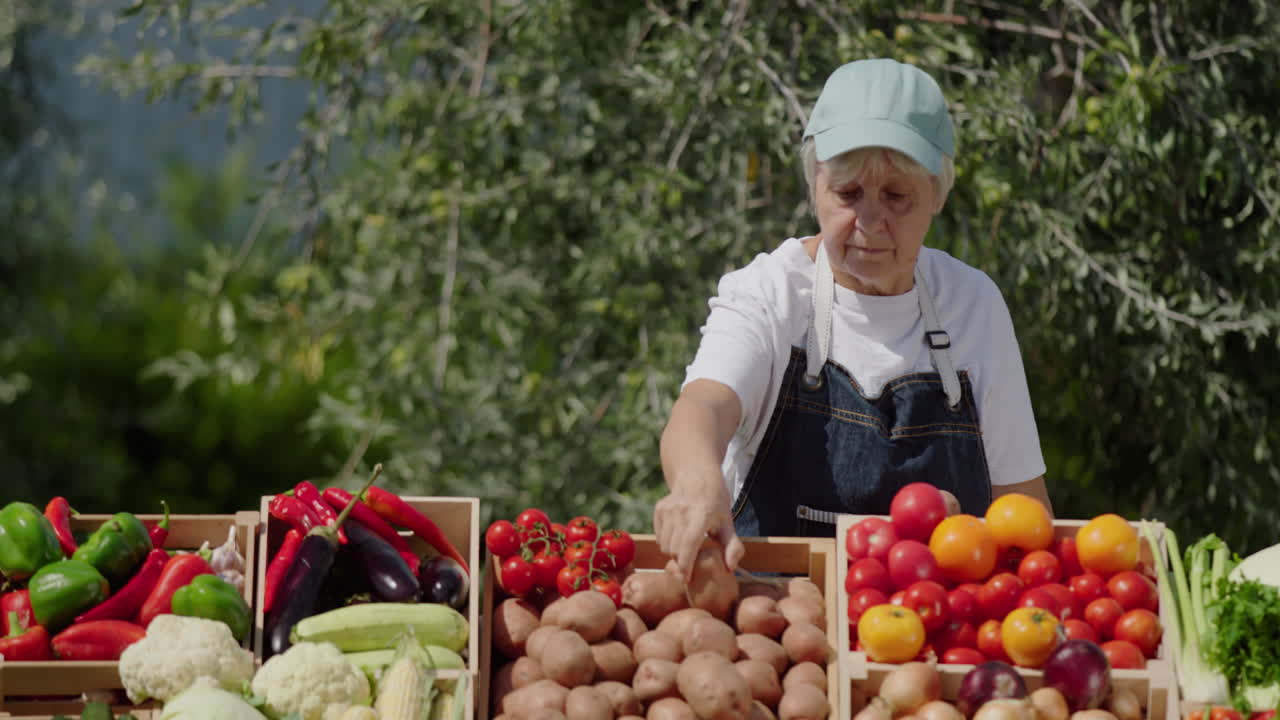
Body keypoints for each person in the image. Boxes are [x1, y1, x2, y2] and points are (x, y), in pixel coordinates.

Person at [654, 58, 1052, 579]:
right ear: (814, 186)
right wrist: (696, 480)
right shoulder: (771, 292)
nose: (869, 222)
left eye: (896, 196)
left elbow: (1024, 511)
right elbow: (704, 404)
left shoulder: (974, 305)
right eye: (847, 194)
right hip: (776, 621)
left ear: (938, 194)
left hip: (937, 631)